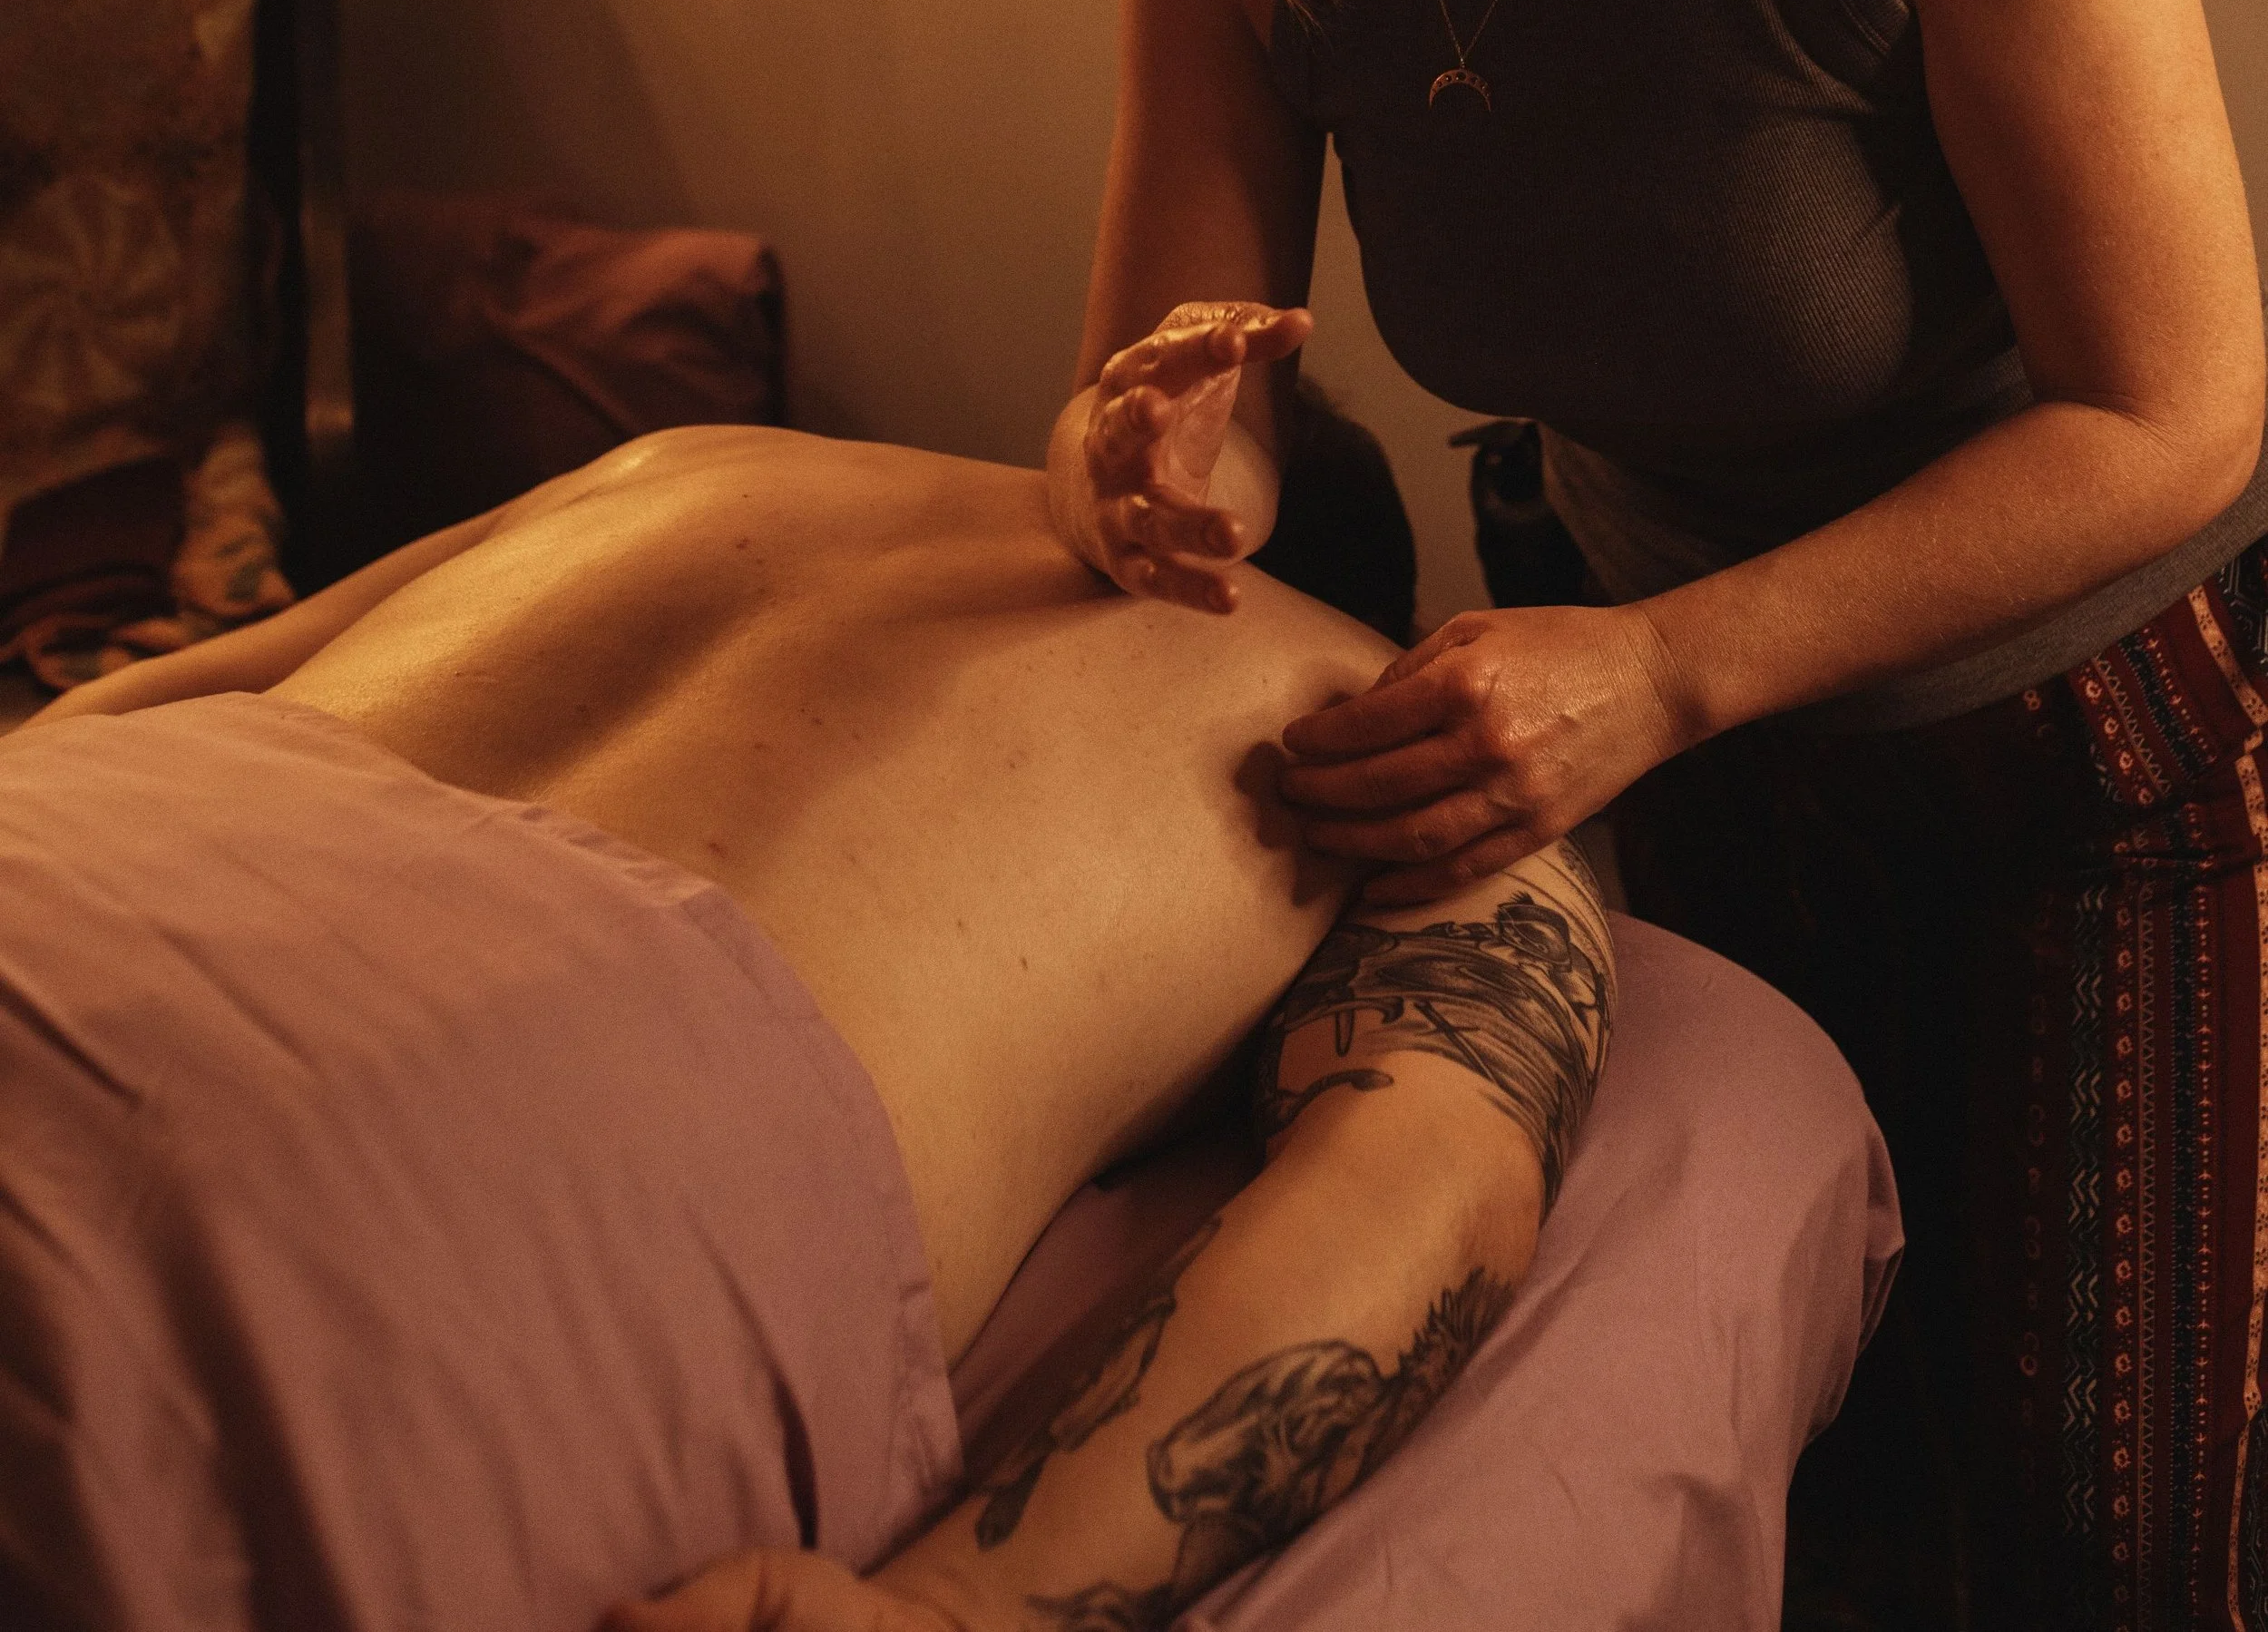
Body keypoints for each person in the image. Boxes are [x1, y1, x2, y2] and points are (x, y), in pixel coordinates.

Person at [999, 0, 2268, 1631]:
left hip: (2072, 781)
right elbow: (1187, 378)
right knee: (1764, 1483)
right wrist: (1164, 464)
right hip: (1655, 765)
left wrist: (1671, 664)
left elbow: (2182, 405)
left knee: (2087, 1557)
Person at [0, 418, 1612, 1632]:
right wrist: (955, 1610)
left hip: (76, 862)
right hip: (457, 1149)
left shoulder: (691, 463)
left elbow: (125, 710)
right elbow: (1431, 1183)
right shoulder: (1407, 735)